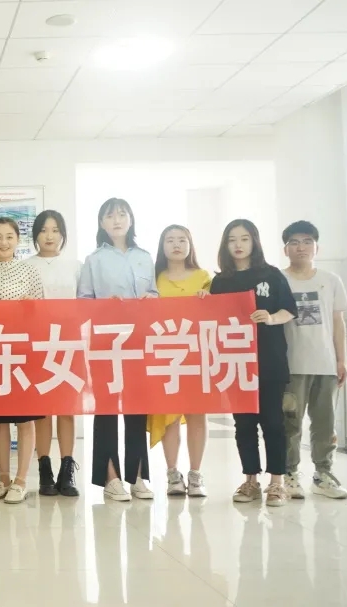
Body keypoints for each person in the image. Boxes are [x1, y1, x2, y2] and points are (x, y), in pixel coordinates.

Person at [209, 219, 297, 507]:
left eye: (244, 238)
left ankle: (277, 483)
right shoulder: (220, 281)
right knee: (244, 424)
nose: (238, 245)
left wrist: (271, 318)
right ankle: (250, 480)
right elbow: (212, 318)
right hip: (235, 362)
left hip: (270, 359)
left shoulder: (271, 275)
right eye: (232, 239)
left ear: (254, 242)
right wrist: (203, 300)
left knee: (273, 421)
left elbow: (289, 310)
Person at [78, 198, 156, 502]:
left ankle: (137, 476)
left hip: (139, 341)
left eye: (122, 215)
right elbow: (83, 300)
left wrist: (151, 299)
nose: (117, 220)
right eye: (110, 216)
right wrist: (103, 305)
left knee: (137, 408)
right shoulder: (94, 260)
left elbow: (155, 295)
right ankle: (111, 477)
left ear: (131, 219)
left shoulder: (145, 257)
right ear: (101, 223)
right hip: (105, 342)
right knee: (107, 408)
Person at [0, 217, 44, 504]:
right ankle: (3, 479)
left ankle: (21, 480)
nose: (3, 242)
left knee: (25, 419)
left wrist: (30, 308)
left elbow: (41, 313)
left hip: (22, 351)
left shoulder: (29, 271)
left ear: (18, 240)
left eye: (9, 237)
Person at [280, 220, 347, 500]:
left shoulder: (331, 280)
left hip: (325, 364)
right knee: (290, 422)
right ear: (285, 249)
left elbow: (338, 322)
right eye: (295, 242)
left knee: (324, 422)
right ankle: (289, 473)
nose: (301, 247)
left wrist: (341, 359)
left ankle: (323, 473)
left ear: (316, 247)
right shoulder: (278, 280)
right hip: (290, 365)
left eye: (307, 242)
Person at [148, 224, 211, 497]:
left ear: (190, 245)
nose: (176, 244)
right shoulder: (154, 278)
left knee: (197, 414)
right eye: (170, 240)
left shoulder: (203, 277)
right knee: (169, 415)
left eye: (182, 240)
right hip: (164, 354)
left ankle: (195, 474)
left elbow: (217, 313)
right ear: (162, 246)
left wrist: (209, 299)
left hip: (196, 354)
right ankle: (172, 473)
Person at [23, 209, 81, 498]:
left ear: (63, 234)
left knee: (67, 409)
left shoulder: (76, 266)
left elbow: (86, 303)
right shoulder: (25, 266)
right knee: (42, 409)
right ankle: (44, 468)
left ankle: (67, 469)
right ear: (35, 234)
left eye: (55, 230)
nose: (49, 236)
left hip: (69, 343)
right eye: (44, 230)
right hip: (37, 344)